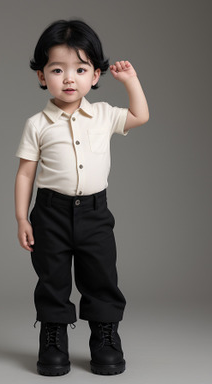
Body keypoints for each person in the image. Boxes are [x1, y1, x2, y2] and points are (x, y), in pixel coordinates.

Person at [14, 19, 149, 376]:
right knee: (52, 278)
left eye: (80, 69)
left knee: (101, 276)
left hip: (94, 212)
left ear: (96, 75)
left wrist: (130, 81)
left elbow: (141, 115)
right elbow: (26, 172)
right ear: (42, 76)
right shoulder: (37, 124)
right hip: (50, 213)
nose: (69, 78)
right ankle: (53, 337)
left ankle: (105, 338)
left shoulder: (103, 115)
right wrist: (22, 218)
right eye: (57, 69)